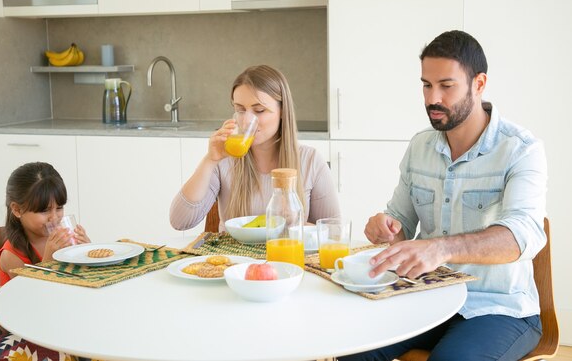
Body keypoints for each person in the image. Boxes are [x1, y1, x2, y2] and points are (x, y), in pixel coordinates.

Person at [340, 31, 547, 361]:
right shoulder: (420, 146)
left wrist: (441, 248)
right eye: (426, 84)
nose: (432, 97)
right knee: (350, 348)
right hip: (426, 297)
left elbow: (524, 236)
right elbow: (401, 227)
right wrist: (386, 228)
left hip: (497, 307)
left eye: (446, 86)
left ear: (479, 84)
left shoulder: (521, 149)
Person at [170, 65, 340, 231]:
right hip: (234, 259)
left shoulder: (310, 160)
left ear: (282, 111)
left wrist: (298, 226)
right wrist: (209, 160)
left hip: (287, 258)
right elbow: (180, 222)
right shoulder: (224, 160)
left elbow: (334, 232)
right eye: (240, 110)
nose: (246, 120)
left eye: (259, 110)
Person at [0, 161, 90, 285]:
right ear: (17, 210)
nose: (54, 218)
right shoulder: (11, 255)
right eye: (44, 210)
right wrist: (48, 261)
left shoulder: (62, 240)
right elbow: (33, 294)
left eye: (59, 207)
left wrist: (87, 251)